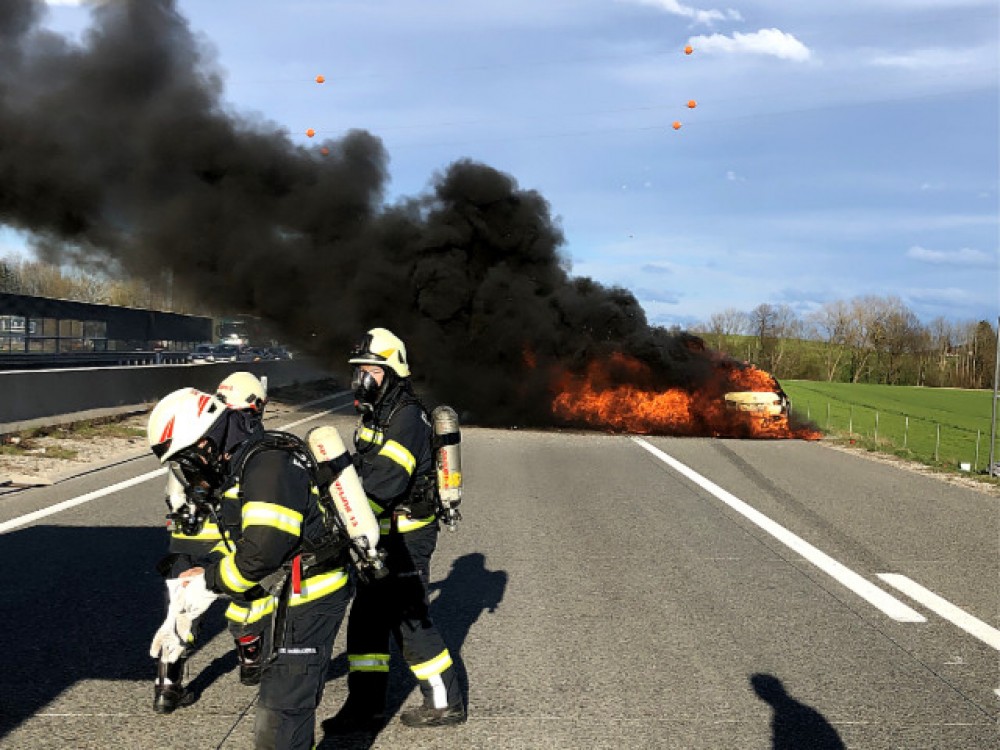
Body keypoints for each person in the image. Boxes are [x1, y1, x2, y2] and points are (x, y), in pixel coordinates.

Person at [147, 385, 353, 749]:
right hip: (292, 592)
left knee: (282, 712)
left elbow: (260, 553)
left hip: (311, 595)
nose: (187, 473)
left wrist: (207, 582)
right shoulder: (242, 461)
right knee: (279, 705)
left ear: (205, 445)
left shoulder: (267, 467)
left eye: (186, 461)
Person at [324, 327, 466, 731]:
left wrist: (342, 520)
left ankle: (445, 702)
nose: (361, 377)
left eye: (369, 368)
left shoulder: (405, 417)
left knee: (410, 619)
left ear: (390, 371)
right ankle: (364, 705)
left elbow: (385, 480)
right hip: (381, 532)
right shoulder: (380, 411)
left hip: (405, 535)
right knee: (367, 618)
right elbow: (365, 465)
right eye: (359, 369)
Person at [151, 371, 269, 714]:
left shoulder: (198, 426)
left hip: (185, 536)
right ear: (254, 403)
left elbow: (172, 485)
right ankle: (250, 658)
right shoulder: (247, 434)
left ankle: (167, 686)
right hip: (225, 537)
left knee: (181, 608)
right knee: (247, 593)